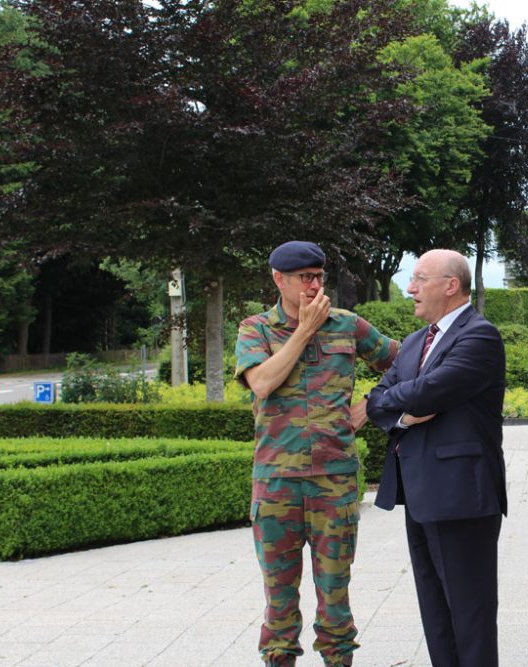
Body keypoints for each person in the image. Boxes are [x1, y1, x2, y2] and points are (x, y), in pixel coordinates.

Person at [235, 240, 399, 667]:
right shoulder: (255, 329)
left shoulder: (347, 325)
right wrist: (305, 331)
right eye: (304, 278)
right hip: (276, 484)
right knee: (279, 598)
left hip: (334, 480)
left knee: (335, 594)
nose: (313, 286)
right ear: (279, 280)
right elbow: (262, 383)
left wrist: (373, 404)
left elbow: (403, 362)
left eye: (319, 278)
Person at [366, 248, 507, 667]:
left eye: (419, 278)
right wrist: (403, 410)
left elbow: (432, 391)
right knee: (436, 612)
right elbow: (376, 403)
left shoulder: (479, 335)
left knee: (470, 613)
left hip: (462, 495)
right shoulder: (414, 342)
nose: (410, 288)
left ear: (450, 285)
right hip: (420, 494)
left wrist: (401, 404)